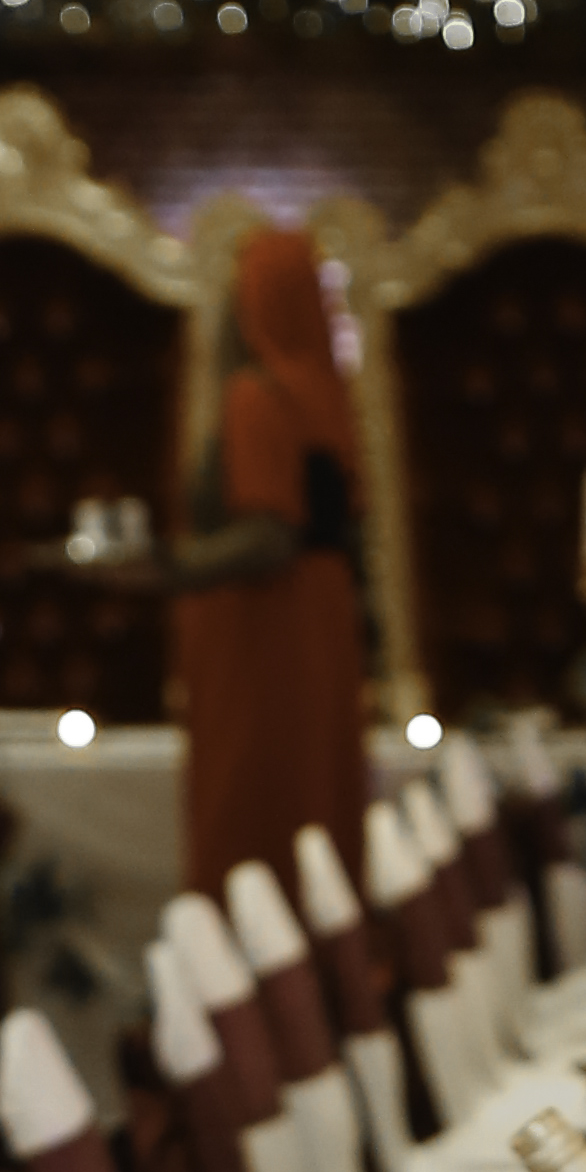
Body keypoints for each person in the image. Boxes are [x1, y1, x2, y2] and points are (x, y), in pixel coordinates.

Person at [176, 223, 369, 904]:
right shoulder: (330, 395)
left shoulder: (255, 395)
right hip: (324, 620)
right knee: (317, 788)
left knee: (251, 803)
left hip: (260, 630)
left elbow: (268, 533)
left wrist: (167, 568)